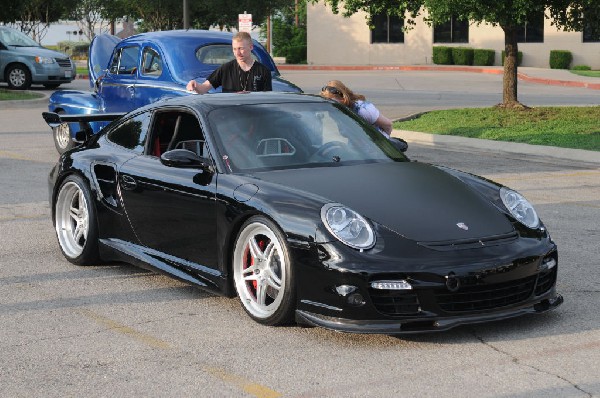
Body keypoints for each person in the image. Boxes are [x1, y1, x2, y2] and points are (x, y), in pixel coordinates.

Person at [186, 32, 272, 94]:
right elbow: (204, 88)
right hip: (230, 115)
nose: (237, 53)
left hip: (254, 116)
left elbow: (267, 99)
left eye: (241, 48)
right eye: (234, 49)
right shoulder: (225, 69)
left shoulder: (263, 71)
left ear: (251, 47)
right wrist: (195, 85)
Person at [320, 80, 393, 137]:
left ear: (343, 98)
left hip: (377, 147)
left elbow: (388, 125)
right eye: (328, 102)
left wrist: (385, 144)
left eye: (333, 102)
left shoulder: (362, 109)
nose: (331, 105)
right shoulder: (336, 111)